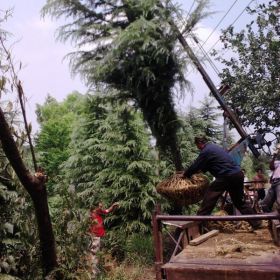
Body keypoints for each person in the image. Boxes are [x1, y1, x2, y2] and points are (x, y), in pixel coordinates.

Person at [181, 136, 262, 230]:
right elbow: (207, 166)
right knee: (239, 202)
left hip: (227, 176)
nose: (197, 148)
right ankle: (256, 222)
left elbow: (196, 165)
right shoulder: (214, 147)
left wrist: (186, 174)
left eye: (197, 146)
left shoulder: (206, 151)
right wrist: (198, 171)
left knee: (209, 196)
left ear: (199, 143)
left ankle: (200, 223)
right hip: (237, 174)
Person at [88, 202, 119, 278]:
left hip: (99, 237)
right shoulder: (92, 214)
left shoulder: (98, 211)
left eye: (101, 205)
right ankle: (94, 275)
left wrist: (112, 206)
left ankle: (97, 272)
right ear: (95, 207)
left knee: (97, 254)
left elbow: (107, 211)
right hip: (95, 237)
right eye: (99, 205)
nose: (101, 206)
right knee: (94, 254)